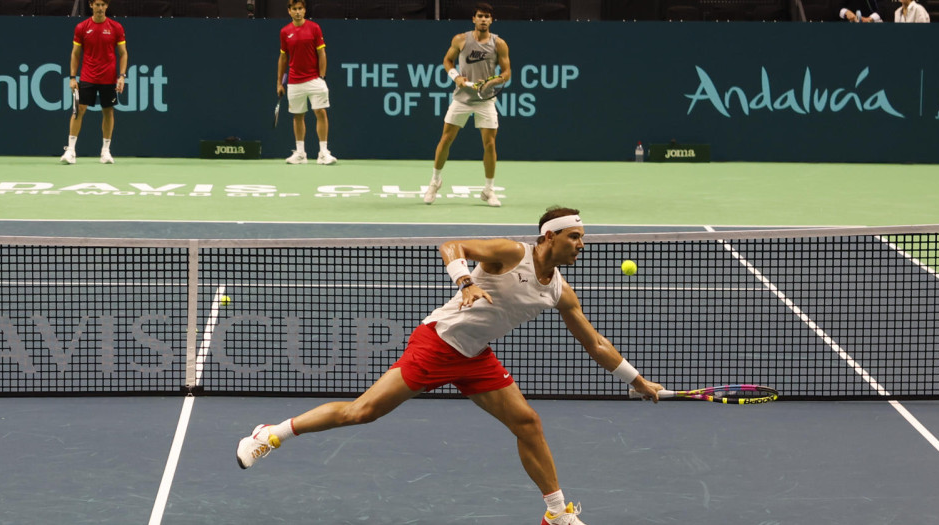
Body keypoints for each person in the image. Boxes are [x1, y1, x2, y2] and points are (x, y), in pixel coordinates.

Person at [235, 206, 664, 525]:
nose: (581, 245)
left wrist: (639, 382)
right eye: (574, 237)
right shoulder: (511, 254)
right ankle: (272, 434)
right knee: (362, 412)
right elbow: (451, 245)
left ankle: (557, 514)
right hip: (438, 345)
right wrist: (467, 283)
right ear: (549, 237)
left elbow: (595, 343)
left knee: (527, 423)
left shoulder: (560, 293)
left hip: (475, 357)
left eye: (582, 238)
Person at [423, 2, 511, 207]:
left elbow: (507, 73)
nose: (483, 20)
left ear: (491, 20)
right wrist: (456, 77)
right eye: (480, 16)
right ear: (474, 19)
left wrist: (494, 80)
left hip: (486, 101)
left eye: (487, 17)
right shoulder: (461, 39)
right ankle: (435, 181)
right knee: (446, 139)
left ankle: (489, 189)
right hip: (461, 98)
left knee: (489, 144)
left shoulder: (499, 44)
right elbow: (447, 61)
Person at [60, 0, 127, 165]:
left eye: (103, 5)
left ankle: (105, 152)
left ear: (107, 6)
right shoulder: (82, 27)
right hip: (88, 76)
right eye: (97, 4)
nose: (100, 8)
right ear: (91, 5)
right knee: (79, 110)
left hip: (108, 78)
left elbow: (123, 54)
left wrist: (122, 76)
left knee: (108, 112)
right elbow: (75, 54)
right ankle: (71, 151)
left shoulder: (116, 27)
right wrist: (72, 77)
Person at [278, 0, 336, 165]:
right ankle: (300, 153)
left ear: (304, 11)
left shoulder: (314, 28)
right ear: (289, 11)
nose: (297, 12)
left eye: (300, 9)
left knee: (321, 112)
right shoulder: (285, 32)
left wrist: (321, 76)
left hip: (314, 79)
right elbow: (283, 58)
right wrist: (279, 83)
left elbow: (322, 53)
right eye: (294, 9)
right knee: (298, 116)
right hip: (295, 82)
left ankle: (323, 152)